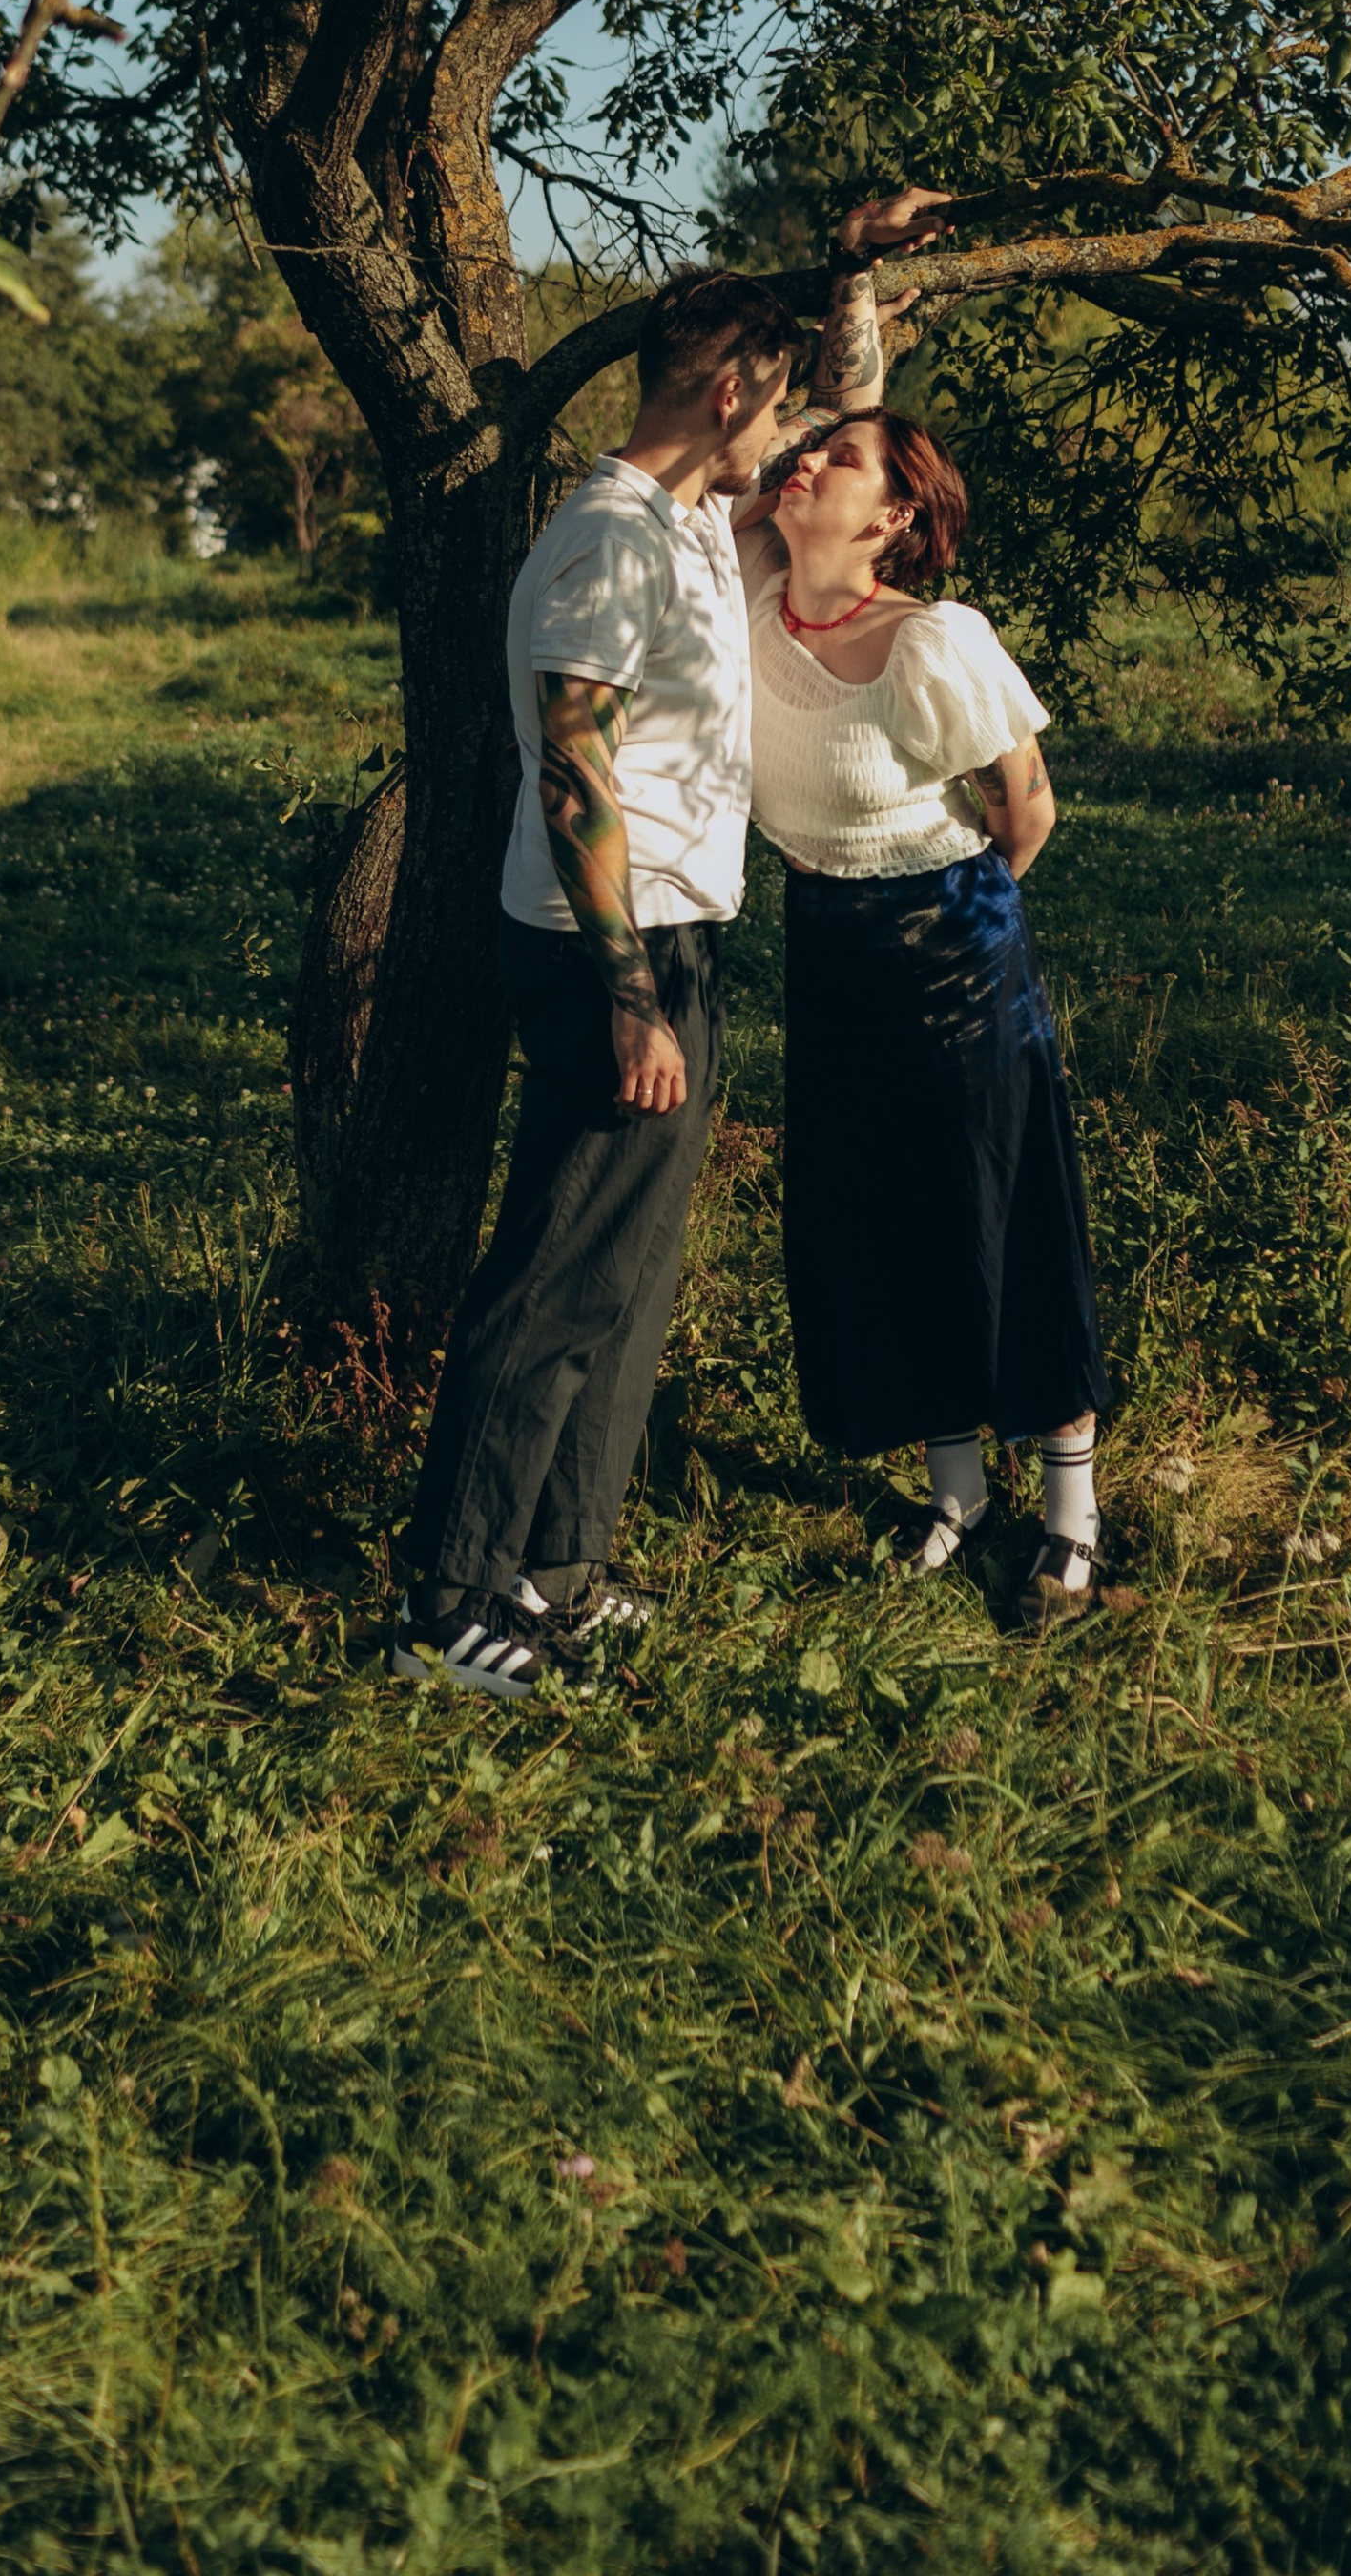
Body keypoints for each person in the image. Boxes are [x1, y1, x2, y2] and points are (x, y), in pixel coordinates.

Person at [394, 213, 930, 1698]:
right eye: (778, 397)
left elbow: (854, 407)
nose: (800, 429)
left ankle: (555, 1569)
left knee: (627, 1275)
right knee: (557, 1272)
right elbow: (574, 779)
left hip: (680, 933)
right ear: (726, 393)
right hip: (597, 946)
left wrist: (851, 276)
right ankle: (445, 1601)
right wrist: (633, 1002)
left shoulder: (701, 515)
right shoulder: (603, 547)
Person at [736, 373, 1109, 1631]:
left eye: (837, 460)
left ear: (895, 518)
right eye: (804, 451)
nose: (803, 466)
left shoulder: (936, 639)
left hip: (953, 944)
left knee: (998, 1214)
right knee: (877, 1216)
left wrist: (964, 921)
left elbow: (1030, 809)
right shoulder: (744, 601)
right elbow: (774, 430)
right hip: (825, 947)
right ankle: (958, 1496)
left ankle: (1071, 1519)